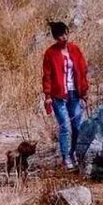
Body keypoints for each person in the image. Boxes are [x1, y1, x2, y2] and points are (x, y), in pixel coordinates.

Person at [42, 21, 89, 170]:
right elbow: (47, 75)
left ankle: (73, 153)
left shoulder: (74, 49)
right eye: (61, 35)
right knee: (65, 127)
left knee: (77, 126)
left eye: (66, 33)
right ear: (56, 37)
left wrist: (84, 90)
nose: (64, 37)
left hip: (74, 93)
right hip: (58, 95)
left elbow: (82, 71)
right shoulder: (50, 53)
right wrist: (48, 95)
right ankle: (65, 157)